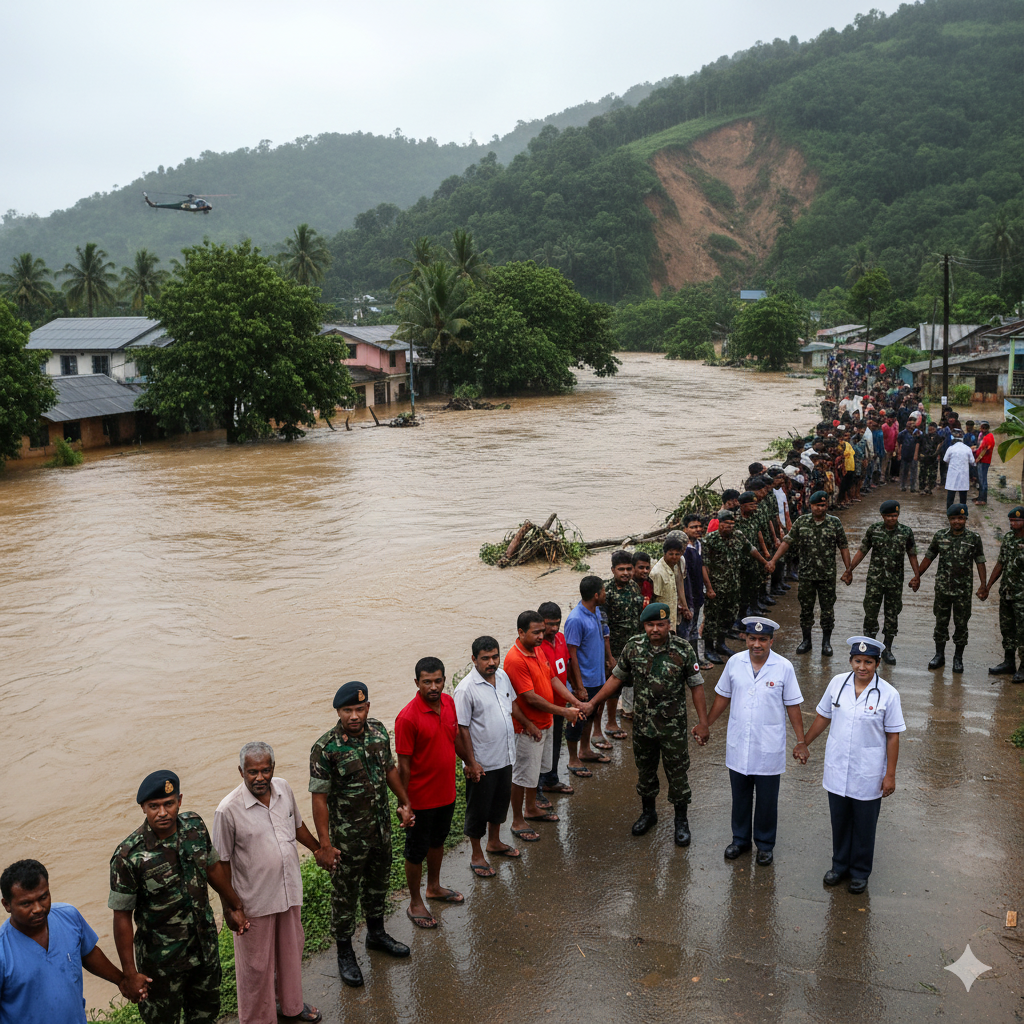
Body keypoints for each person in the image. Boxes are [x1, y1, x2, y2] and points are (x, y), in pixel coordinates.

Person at [108, 771, 249, 1024]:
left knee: (206, 1015)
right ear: (143, 808)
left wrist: (234, 906)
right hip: (161, 965)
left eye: (169, 804)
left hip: (204, 949)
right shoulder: (128, 856)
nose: (162, 812)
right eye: (154, 806)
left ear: (179, 801)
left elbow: (212, 868)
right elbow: (122, 918)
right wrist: (129, 973)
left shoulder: (195, 826)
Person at [308, 683, 413, 988]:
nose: (353, 716)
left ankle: (376, 934)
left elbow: (389, 769)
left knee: (378, 885)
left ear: (367, 708)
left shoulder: (379, 733)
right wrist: (325, 845)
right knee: (345, 895)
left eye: (358, 709)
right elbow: (319, 799)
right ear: (338, 712)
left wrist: (404, 802)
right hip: (347, 840)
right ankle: (344, 951)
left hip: (380, 829)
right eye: (347, 710)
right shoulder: (325, 748)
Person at [581, 604, 710, 845]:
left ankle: (681, 820)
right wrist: (593, 703)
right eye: (650, 625)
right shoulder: (633, 647)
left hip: (673, 728)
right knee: (646, 771)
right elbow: (616, 678)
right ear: (644, 626)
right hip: (643, 727)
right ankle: (648, 813)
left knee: (677, 773)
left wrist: (703, 723)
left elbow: (696, 686)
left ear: (669, 625)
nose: (655, 629)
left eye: (661, 624)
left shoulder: (683, 649)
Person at [212, 745, 322, 1024]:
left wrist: (318, 850)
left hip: (288, 891)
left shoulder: (283, 788)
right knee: (256, 967)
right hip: (254, 902)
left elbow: (296, 826)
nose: (259, 777)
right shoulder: (227, 810)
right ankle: (258, 1019)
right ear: (241, 772)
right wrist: (231, 908)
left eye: (265, 770)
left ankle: (291, 1005)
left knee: (290, 954)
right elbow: (220, 865)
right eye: (252, 772)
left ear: (273, 768)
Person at [794, 637, 905, 895]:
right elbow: (823, 716)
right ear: (850, 661)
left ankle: (860, 872)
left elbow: (893, 736)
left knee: (865, 825)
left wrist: (890, 775)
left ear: (878, 663)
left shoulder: (888, 694)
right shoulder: (837, 683)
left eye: (868, 662)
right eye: (857, 661)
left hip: (869, 771)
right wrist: (804, 742)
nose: (862, 667)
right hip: (838, 767)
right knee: (840, 821)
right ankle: (839, 866)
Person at [704, 617, 805, 866]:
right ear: (745, 638)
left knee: (767, 800)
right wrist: (706, 724)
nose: (756, 644)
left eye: (762, 639)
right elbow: (722, 697)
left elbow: (793, 706)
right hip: (739, 742)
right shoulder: (734, 663)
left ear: (771, 641)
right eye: (752, 639)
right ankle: (740, 840)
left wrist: (801, 741)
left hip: (768, 745)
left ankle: (765, 844)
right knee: (740, 796)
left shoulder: (783, 667)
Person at [1, 859, 132, 1023]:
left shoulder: (69, 917)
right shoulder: (3, 950)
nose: (38, 908)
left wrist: (122, 981)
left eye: (43, 897)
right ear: (7, 905)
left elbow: (88, 954)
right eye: (26, 903)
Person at [395, 658, 466, 930]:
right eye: (427, 682)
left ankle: (433, 887)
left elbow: (455, 737)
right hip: (420, 801)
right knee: (415, 852)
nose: (433, 687)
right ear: (417, 683)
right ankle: (415, 902)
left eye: (438, 681)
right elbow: (403, 766)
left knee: (438, 842)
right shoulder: (407, 718)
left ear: (444, 680)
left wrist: (470, 762)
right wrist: (405, 804)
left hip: (446, 793)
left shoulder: (449, 703)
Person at [504, 611, 583, 842]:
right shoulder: (515, 659)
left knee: (535, 771)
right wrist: (564, 711)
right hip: (527, 728)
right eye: (535, 632)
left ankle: (531, 808)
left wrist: (574, 701)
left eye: (542, 631)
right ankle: (517, 820)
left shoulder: (537, 650)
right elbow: (529, 697)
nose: (541, 636)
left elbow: (552, 678)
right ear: (521, 632)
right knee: (521, 776)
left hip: (545, 722)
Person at [453, 637, 521, 878]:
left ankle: (494, 842)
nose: (491, 662)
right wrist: (471, 763)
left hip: (505, 755)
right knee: (478, 810)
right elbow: (461, 729)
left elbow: (511, 706)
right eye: (485, 658)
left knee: (500, 804)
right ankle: (476, 854)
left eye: (495, 657)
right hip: (482, 763)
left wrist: (528, 725)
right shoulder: (465, 689)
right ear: (474, 659)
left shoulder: (502, 677)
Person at [767, 491, 852, 656]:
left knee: (827, 611)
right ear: (810, 506)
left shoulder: (834, 523)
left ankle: (826, 643)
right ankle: (806, 641)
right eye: (817, 505)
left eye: (823, 505)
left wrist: (848, 569)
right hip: (806, 575)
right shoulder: (802, 522)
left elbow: (843, 546)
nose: (820, 508)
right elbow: (787, 542)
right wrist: (774, 560)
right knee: (806, 609)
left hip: (827, 575)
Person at [841, 499, 921, 664]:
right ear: (882, 516)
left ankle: (887, 649)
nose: (892, 518)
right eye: (889, 516)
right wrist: (850, 569)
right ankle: (870, 647)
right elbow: (862, 550)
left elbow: (912, 554)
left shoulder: (906, 532)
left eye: (895, 515)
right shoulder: (874, 530)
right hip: (875, 581)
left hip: (895, 582)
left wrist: (917, 575)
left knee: (892, 614)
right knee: (871, 613)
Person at [916, 504, 987, 673]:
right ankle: (939, 655)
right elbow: (929, 557)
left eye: (960, 518)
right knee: (941, 622)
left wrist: (983, 584)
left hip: (963, 590)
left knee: (961, 624)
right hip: (943, 589)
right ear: (949, 519)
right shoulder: (940, 536)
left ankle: (958, 658)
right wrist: (917, 576)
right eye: (954, 518)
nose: (957, 521)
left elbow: (980, 561)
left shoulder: (974, 538)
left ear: (965, 519)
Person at [564, 576, 611, 772]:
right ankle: (573, 758)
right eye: (604, 590)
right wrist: (579, 686)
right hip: (584, 680)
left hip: (597, 677)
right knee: (577, 719)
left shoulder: (597, 611)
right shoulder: (575, 619)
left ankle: (585, 751)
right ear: (596, 595)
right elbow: (571, 655)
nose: (606, 593)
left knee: (591, 715)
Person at [537, 601, 579, 792]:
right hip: (544, 706)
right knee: (540, 749)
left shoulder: (561, 639)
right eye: (549, 624)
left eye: (557, 623)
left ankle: (551, 780)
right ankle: (538, 788)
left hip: (560, 704)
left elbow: (567, 667)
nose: (554, 628)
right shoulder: (537, 647)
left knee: (554, 744)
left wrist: (576, 689)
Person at [602, 550, 644, 739]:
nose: (626, 573)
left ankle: (631, 713)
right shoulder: (607, 592)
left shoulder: (634, 587)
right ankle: (611, 723)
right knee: (613, 687)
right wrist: (609, 656)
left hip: (634, 647)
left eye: (628, 569)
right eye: (621, 569)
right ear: (613, 570)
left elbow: (639, 617)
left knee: (634, 683)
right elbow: (603, 628)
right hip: (615, 650)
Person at [980, 506, 1024, 684]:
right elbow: (1001, 563)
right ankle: (1009, 662)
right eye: (1011, 521)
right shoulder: (1008, 538)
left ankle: (1023, 667)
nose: (1013, 524)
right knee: (1007, 629)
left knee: (1022, 631)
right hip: (1007, 592)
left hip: (1022, 596)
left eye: (1017, 521)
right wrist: (988, 586)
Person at [651, 537, 691, 632]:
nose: (674, 557)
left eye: (677, 554)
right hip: (661, 618)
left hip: (673, 615)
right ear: (665, 553)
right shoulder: (657, 572)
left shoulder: (675, 567)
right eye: (671, 554)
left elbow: (678, 587)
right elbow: (654, 600)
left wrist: (684, 607)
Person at [943, 429, 975, 508]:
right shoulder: (967, 449)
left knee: (951, 495)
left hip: (952, 475)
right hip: (963, 475)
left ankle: (949, 511)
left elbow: (945, 459)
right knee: (963, 496)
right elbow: (972, 461)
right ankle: (963, 511)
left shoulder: (951, 448)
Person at [973, 420, 995, 506]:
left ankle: (983, 499)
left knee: (983, 480)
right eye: (982, 427)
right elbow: (981, 448)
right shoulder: (983, 436)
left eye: (985, 427)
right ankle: (980, 497)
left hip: (984, 461)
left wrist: (978, 458)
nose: (983, 429)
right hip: (982, 460)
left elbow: (985, 450)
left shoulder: (988, 437)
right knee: (981, 479)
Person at [917, 421, 940, 495]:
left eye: (932, 429)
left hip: (933, 458)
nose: (931, 431)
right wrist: (917, 455)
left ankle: (930, 488)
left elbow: (939, 447)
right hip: (924, 458)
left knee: (932, 474)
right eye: (929, 429)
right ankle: (922, 488)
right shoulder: (923, 436)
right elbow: (918, 445)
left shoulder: (938, 437)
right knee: (922, 474)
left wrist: (937, 455)